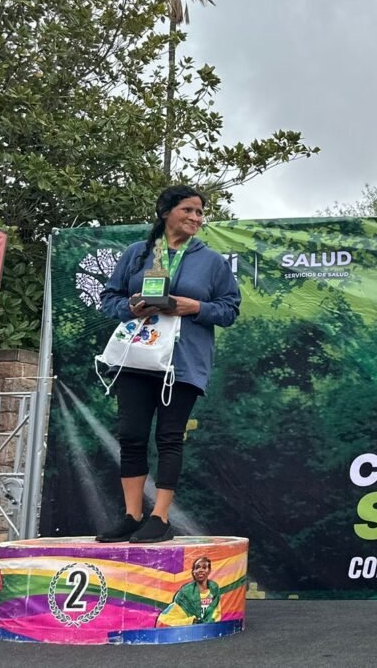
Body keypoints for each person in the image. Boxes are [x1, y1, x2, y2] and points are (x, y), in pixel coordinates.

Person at [98, 185, 240, 543]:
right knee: (131, 435)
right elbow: (109, 299)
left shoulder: (212, 262)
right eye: (188, 210)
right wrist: (130, 307)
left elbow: (229, 309)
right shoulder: (136, 253)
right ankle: (132, 515)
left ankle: (160, 517)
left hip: (183, 362)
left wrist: (195, 307)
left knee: (169, 436)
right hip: (137, 357)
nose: (196, 218)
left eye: (199, 213)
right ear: (166, 212)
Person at [156, 556, 222, 626]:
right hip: (187, 632)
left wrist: (207, 625)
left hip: (210, 631)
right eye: (197, 568)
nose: (200, 570)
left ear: (209, 570)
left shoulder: (214, 590)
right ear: (193, 572)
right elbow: (163, 620)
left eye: (204, 567)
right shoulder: (185, 592)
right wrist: (191, 621)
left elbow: (216, 613)